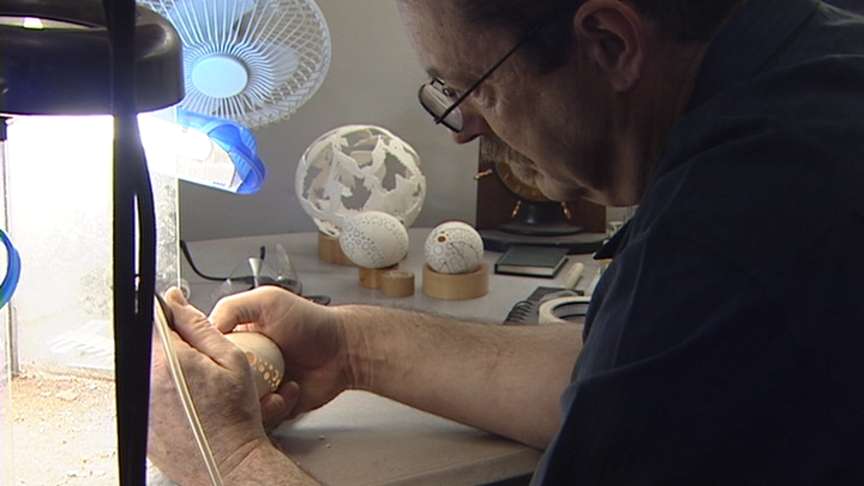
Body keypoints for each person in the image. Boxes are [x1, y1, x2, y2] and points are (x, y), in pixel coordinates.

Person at [149, 0, 864, 484]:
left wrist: (230, 458)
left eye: (472, 88)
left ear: (611, 44)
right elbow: (632, 372)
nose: (463, 129)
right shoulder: (810, 74)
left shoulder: (740, 216)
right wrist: (350, 346)